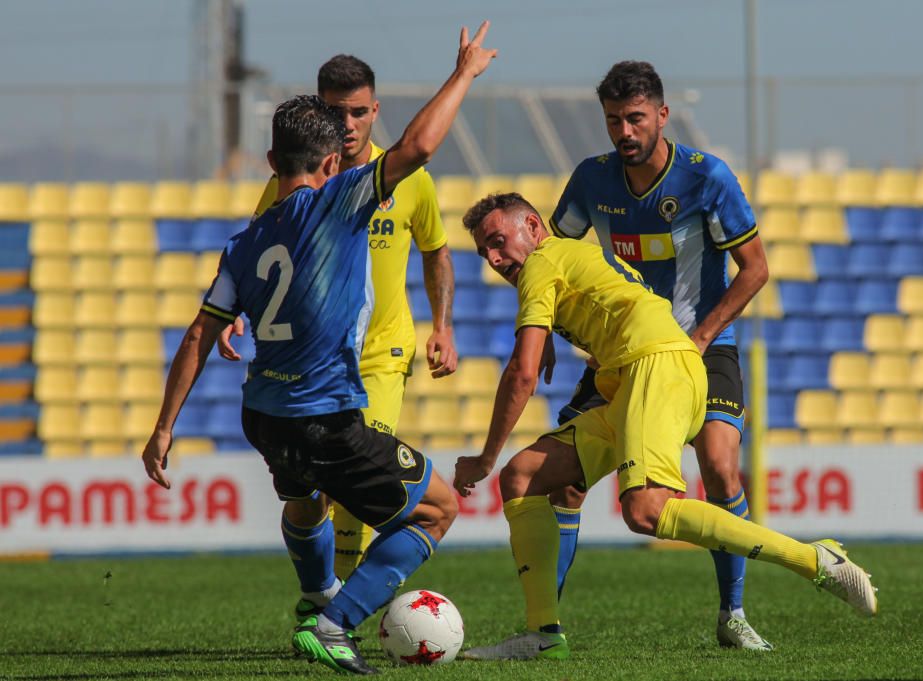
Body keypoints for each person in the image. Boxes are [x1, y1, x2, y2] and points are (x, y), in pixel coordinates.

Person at [142, 22, 496, 675]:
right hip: (324, 415)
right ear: (332, 165)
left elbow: (199, 332)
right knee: (437, 508)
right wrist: (466, 72)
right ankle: (334, 623)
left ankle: (317, 596)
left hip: (263, 416)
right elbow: (418, 144)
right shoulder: (339, 202)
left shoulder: (243, 244)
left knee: (305, 501)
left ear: (272, 164)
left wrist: (163, 427)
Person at [453, 194, 876, 660]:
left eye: (498, 242)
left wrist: (484, 459)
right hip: (641, 378)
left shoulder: (542, 264)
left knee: (646, 509)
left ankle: (816, 560)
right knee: (523, 476)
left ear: (534, 226)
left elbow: (522, 373)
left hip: (654, 369)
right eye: (484, 253)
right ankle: (542, 635)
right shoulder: (574, 258)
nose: (493, 259)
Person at [216, 53, 458, 626]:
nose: (347, 124)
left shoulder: (408, 182)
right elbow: (260, 248)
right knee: (309, 498)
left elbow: (436, 250)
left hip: (379, 355)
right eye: (334, 112)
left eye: (356, 113)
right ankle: (325, 600)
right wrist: (235, 314)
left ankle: (339, 613)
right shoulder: (292, 187)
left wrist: (443, 325)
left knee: (357, 480)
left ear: (375, 112)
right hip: (312, 366)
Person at [546, 60, 774, 650]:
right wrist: (550, 330)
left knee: (721, 465)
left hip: (702, 347)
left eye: (636, 118)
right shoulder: (592, 180)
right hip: (622, 354)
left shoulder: (706, 178)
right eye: (614, 120)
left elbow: (756, 270)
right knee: (562, 482)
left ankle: (734, 614)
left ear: (662, 116)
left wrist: (701, 335)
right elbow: (547, 262)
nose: (625, 131)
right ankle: (544, 628)